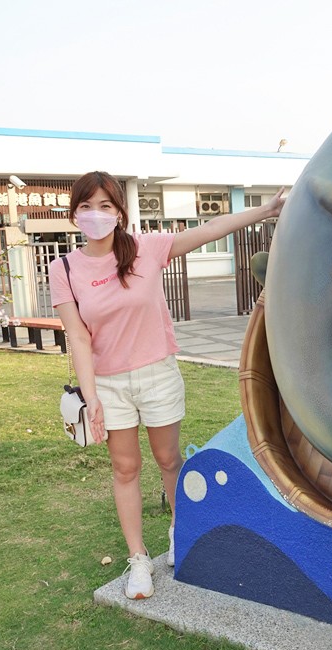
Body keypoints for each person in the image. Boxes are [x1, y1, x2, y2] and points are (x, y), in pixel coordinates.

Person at [49, 171, 284, 600]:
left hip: (157, 373)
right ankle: (139, 559)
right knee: (125, 468)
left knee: (169, 459)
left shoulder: (144, 249)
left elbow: (209, 229)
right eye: (86, 206)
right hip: (108, 382)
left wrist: (265, 210)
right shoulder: (64, 268)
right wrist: (91, 396)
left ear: (120, 212)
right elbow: (78, 336)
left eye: (105, 206)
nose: (95, 215)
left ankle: (182, 533)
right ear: (74, 214)